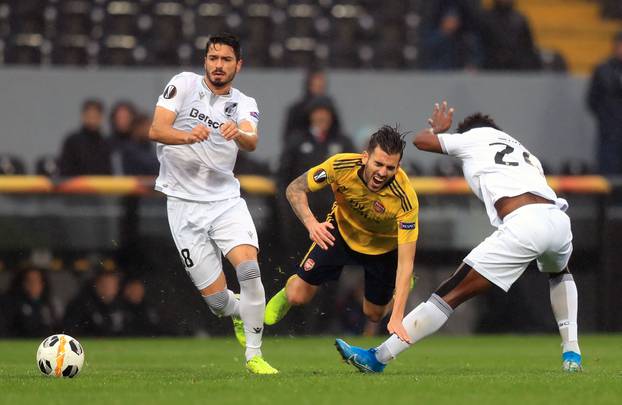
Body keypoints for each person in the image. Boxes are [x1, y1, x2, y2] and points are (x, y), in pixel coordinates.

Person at [335, 102, 582, 373]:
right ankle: (572, 353)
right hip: (557, 219)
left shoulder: (474, 136)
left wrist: (437, 130)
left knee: (448, 294)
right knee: (560, 274)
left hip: (524, 224)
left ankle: (377, 358)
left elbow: (420, 141)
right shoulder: (525, 152)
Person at [148, 33, 277, 374]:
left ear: (239, 65)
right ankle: (241, 312)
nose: (219, 65)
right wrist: (186, 135)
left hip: (224, 201)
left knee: (249, 269)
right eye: (213, 58)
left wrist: (241, 134)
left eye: (226, 60)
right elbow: (156, 129)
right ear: (205, 60)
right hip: (182, 205)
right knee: (219, 303)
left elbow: (251, 139)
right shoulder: (184, 84)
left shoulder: (244, 102)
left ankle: (254, 355)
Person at [264, 125, 420, 333]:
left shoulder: (405, 198)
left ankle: (399, 289)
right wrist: (312, 224)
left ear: (398, 166)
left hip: (382, 249)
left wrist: (397, 317)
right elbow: (295, 188)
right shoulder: (340, 165)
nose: (382, 173)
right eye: (378, 164)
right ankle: (286, 293)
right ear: (365, 157)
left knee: (374, 314)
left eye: (390, 168)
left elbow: (406, 263)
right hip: (341, 233)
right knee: (297, 296)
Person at [277, 96, 355, 258]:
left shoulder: (343, 143)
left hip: (334, 219)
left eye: (326, 112)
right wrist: (287, 213)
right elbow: (283, 178)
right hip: (301, 221)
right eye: (318, 112)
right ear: (310, 115)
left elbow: (355, 178)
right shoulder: (296, 141)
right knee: (298, 271)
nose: (322, 116)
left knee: (330, 271)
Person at [586, 31, 622, 175]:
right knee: (609, 167)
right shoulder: (603, 70)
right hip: (610, 130)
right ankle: (606, 197)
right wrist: (607, 116)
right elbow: (592, 99)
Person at [282, 67, 341, 140]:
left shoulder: (330, 106)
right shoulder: (296, 109)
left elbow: (337, 131)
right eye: (316, 84)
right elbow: (288, 136)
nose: (321, 116)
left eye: (321, 85)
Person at [479, 0, 541, 70]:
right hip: (491, 66)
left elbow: (528, 46)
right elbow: (480, 44)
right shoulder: (485, 18)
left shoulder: (520, 19)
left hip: (517, 66)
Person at [58, 99, 112, 176]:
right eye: (89, 115)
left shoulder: (107, 143)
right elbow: (65, 169)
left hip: (100, 186)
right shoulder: (72, 141)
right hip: (76, 186)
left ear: (101, 118)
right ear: (83, 116)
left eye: (95, 116)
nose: (92, 119)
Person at [63, 270, 125, 336]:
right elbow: (71, 329)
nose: (108, 288)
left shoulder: (122, 305)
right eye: (105, 284)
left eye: (112, 284)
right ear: (97, 285)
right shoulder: (82, 304)